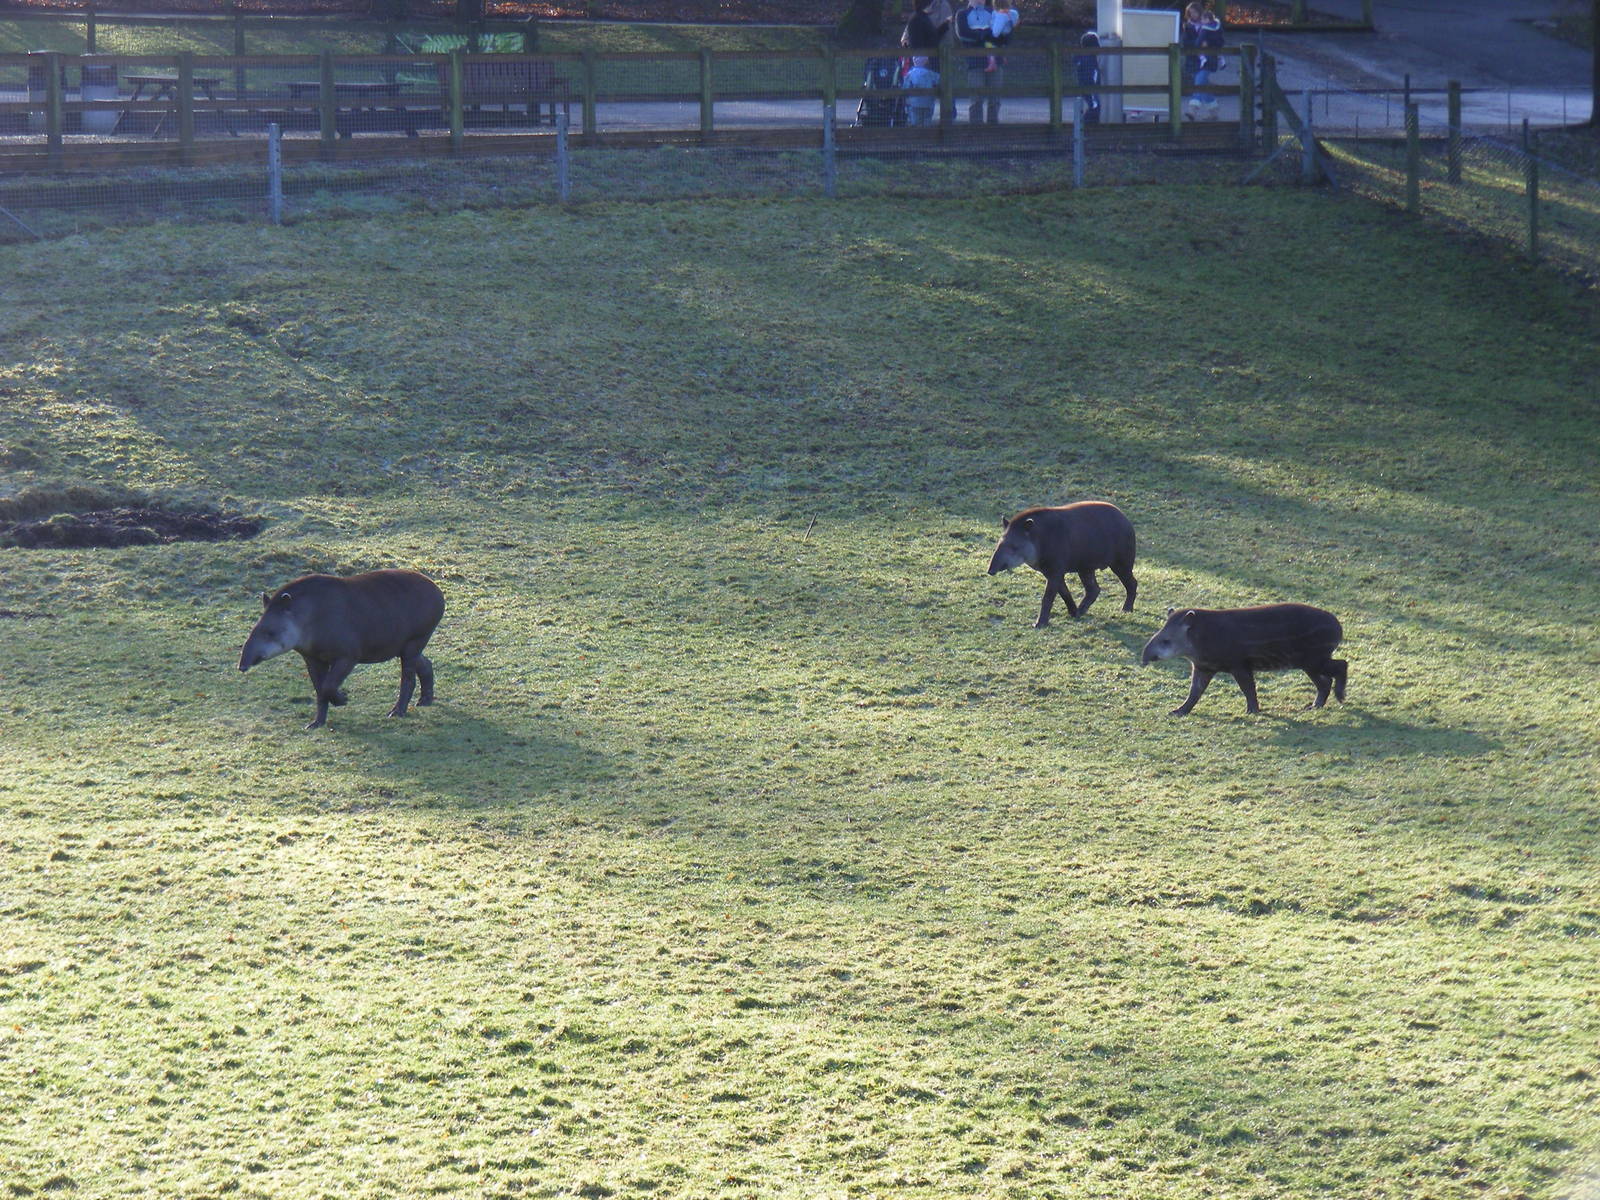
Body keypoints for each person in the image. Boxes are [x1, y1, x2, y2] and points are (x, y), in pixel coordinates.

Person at [955, 0, 999, 123]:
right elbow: (963, 34)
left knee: (995, 98)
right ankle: (975, 130)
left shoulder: (993, 12)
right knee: (976, 98)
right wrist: (984, 35)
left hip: (995, 61)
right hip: (974, 62)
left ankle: (993, 129)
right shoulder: (962, 14)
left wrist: (980, 35)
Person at [1191, 7, 1225, 119]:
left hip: (1204, 60)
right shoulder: (1218, 29)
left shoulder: (1205, 29)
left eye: (1202, 19)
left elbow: (1197, 43)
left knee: (1199, 83)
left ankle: (1193, 110)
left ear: (1206, 19)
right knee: (1203, 85)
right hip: (1213, 59)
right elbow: (1221, 43)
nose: (1201, 21)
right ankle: (1214, 112)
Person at [902, 55, 939, 125]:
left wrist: (907, 100)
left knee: (916, 123)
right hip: (928, 103)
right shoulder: (931, 74)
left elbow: (905, 88)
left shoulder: (910, 74)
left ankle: (919, 135)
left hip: (914, 104)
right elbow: (940, 82)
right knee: (927, 123)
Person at [1074, 31, 1101, 125]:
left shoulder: (1081, 57)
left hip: (1085, 85)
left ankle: (1085, 125)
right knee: (1095, 106)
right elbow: (1091, 74)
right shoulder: (1089, 58)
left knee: (1093, 106)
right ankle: (1085, 125)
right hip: (1089, 86)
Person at [986, 0, 1019, 73]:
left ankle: (992, 63)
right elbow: (1015, 23)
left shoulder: (1001, 14)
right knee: (1001, 45)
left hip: (998, 36)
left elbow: (996, 32)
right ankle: (1002, 56)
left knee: (988, 44)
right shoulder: (1013, 13)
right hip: (1007, 36)